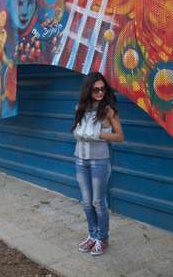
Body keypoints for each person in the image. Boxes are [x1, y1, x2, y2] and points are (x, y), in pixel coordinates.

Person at [71, 71, 124, 256]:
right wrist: (79, 133)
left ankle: (102, 238)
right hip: (80, 159)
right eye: (96, 90)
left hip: (99, 161)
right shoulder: (80, 108)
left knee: (98, 202)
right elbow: (76, 131)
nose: (100, 93)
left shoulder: (108, 110)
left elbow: (120, 136)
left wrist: (98, 134)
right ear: (88, 90)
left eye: (103, 89)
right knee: (86, 202)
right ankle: (92, 236)